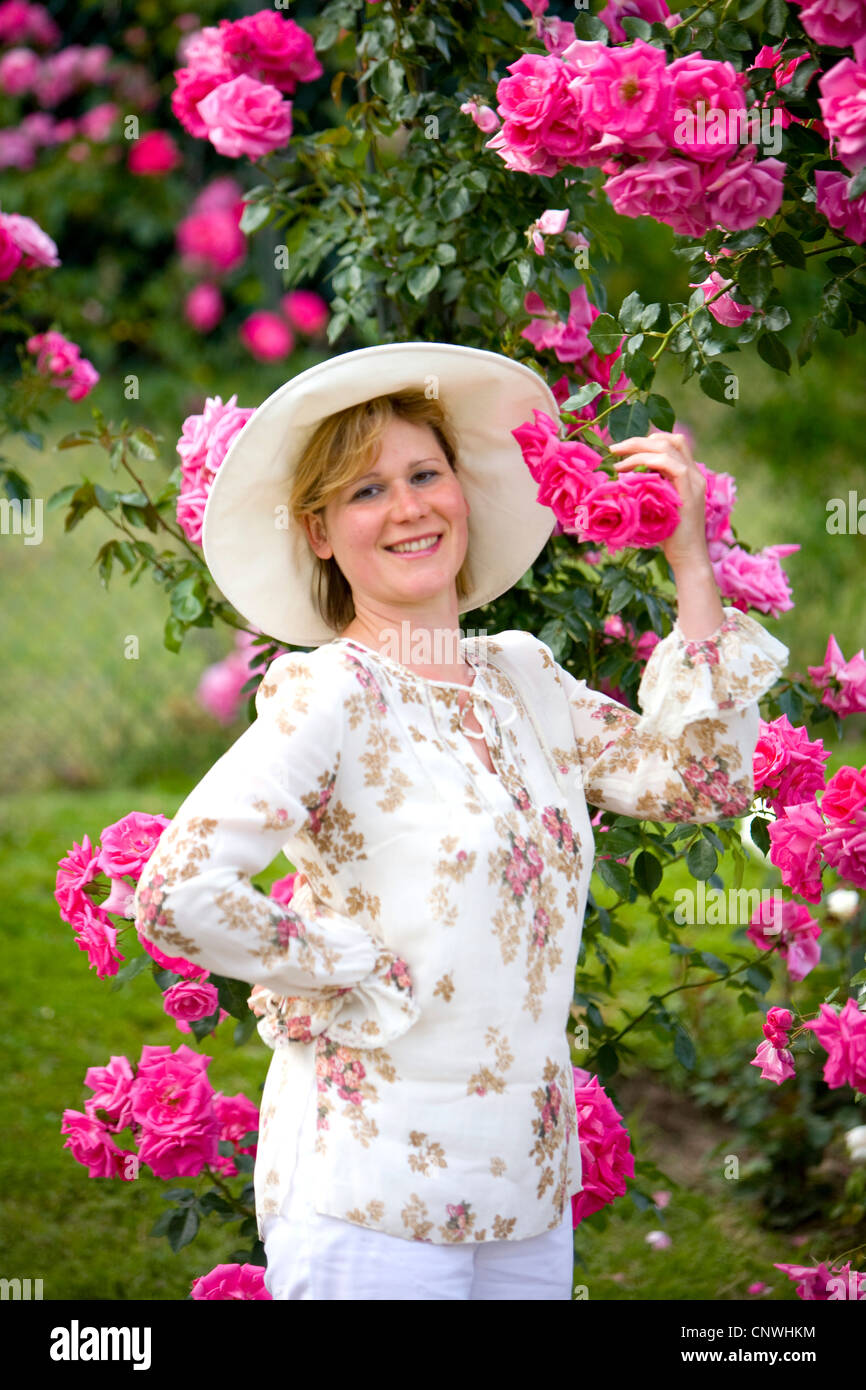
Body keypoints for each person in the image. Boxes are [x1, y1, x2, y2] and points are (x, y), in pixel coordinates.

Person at [132, 341, 789, 1300]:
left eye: (425, 473)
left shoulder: (522, 674)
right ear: (319, 532)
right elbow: (177, 890)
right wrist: (339, 970)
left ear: (462, 491)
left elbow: (706, 784)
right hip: (369, 1187)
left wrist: (689, 559)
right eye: (365, 492)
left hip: (524, 1184)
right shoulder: (331, 693)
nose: (407, 507)